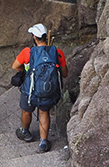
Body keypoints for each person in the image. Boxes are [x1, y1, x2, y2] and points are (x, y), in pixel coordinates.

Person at [12, 23, 68, 153]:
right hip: (48, 90)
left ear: (34, 37)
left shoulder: (28, 52)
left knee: (26, 110)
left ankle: (25, 132)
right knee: (44, 113)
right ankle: (43, 143)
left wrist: (26, 72)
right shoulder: (57, 53)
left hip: (29, 90)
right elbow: (64, 74)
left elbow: (15, 66)